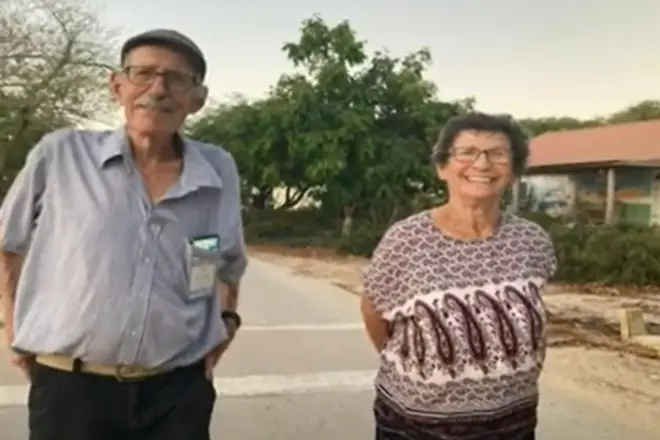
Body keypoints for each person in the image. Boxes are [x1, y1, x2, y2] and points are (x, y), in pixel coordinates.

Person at [0, 29, 247, 440]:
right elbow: (7, 244)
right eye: (143, 74)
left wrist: (224, 321)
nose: (158, 89)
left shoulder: (217, 170)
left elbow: (214, 258)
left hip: (176, 394)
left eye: (176, 79)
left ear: (197, 99)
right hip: (69, 392)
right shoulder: (61, 154)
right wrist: (11, 329)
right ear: (117, 86)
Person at [360, 112, 557, 440]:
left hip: (513, 419)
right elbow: (374, 313)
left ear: (513, 170)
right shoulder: (405, 239)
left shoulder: (532, 240)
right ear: (442, 167)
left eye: (497, 154)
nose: (482, 164)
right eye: (467, 152)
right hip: (418, 422)